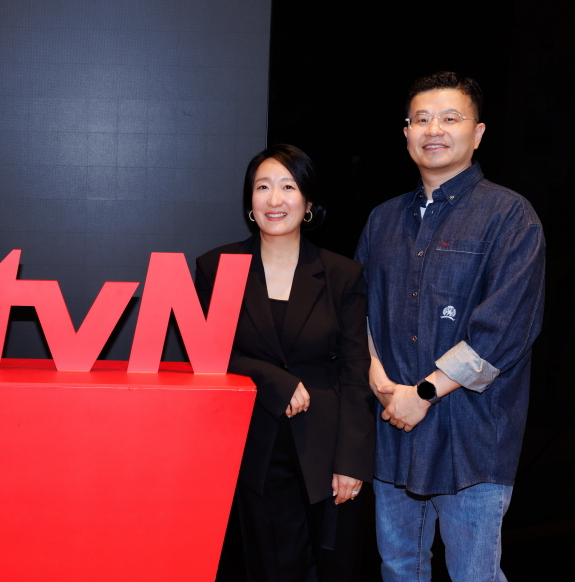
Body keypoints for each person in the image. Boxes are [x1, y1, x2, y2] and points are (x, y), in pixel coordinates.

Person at [355, 72, 545, 581]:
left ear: (477, 133)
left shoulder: (511, 216)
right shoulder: (382, 220)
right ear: (406, 133)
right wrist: (377, 377)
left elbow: (504, 331)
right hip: (393, 430)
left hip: (472, 438)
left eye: (450, 118)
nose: (433, 129)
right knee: (399, 569)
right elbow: (360, 310)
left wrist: (423, 393)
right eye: (422, 119)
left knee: (474, 575)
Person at [196, 145, 375, 582]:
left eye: (288, 187)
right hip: (251, 449)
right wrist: (270, 378)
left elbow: (356, 372)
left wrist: (352, 461)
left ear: (308, 202)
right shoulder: (217, 267)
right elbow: (205, 356)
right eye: (263, 187)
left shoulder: (342, 275)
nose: (274, 199)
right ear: (250, 202)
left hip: (327, 452)